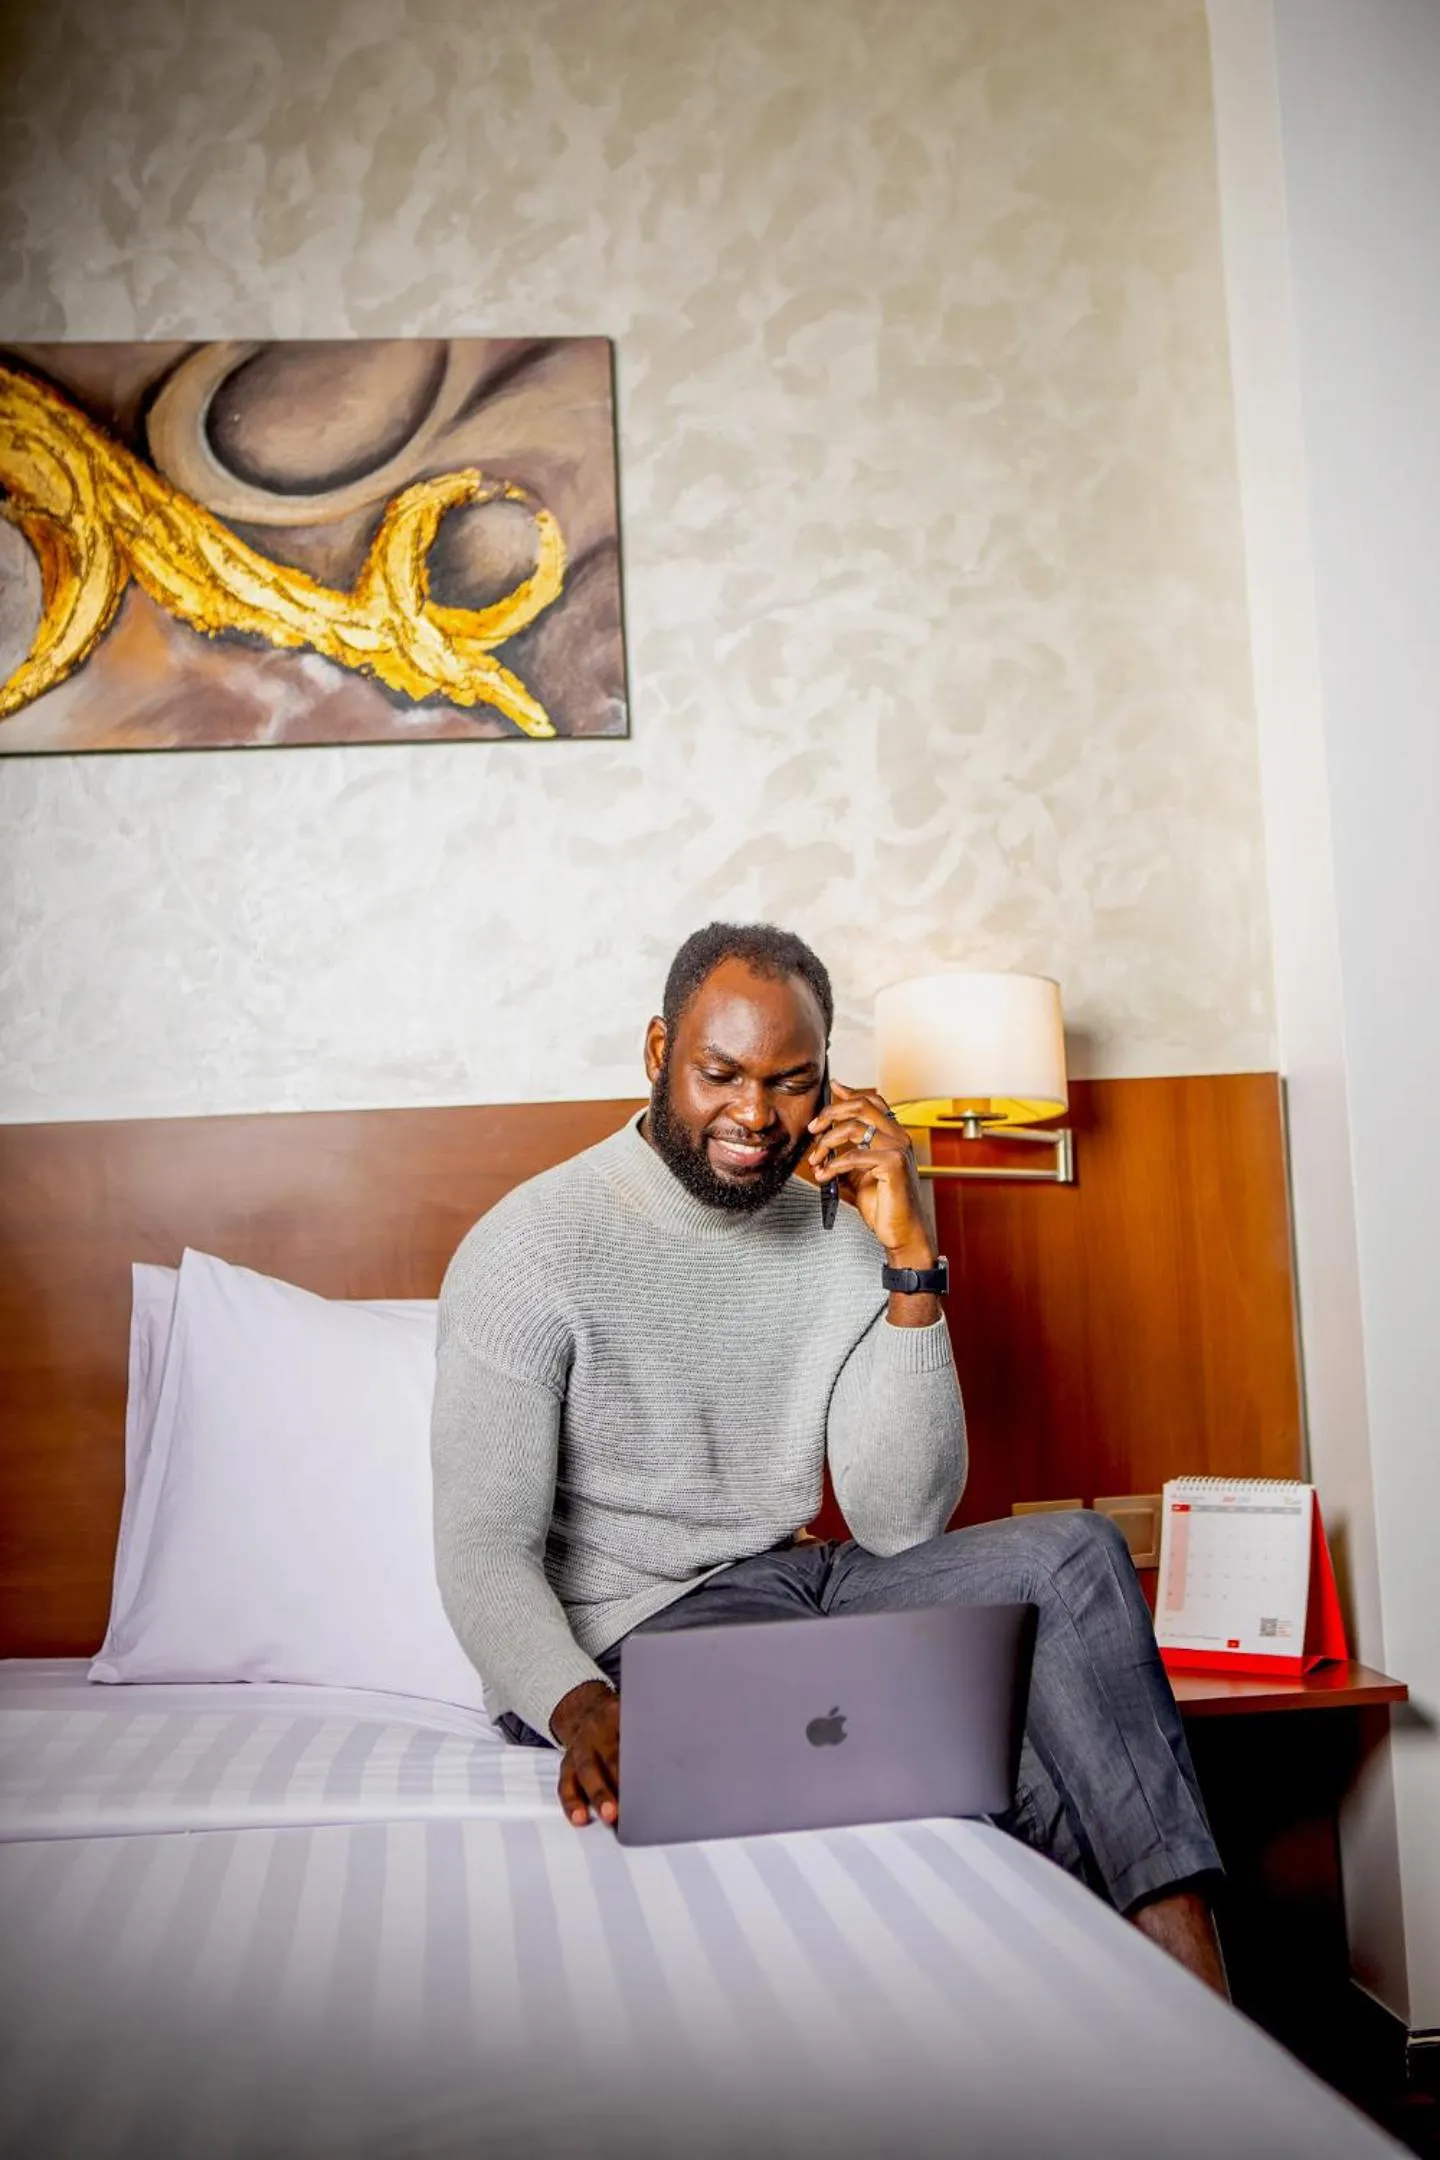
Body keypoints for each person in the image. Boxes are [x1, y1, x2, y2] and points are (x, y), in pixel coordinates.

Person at [432, 922, 1227, 1992]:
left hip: (804, 1582)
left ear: (830, 1080)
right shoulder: (529, 1247)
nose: (755, 1115)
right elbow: (482, 1553)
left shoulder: (850, 1216)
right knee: (1016, 1754)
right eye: (721, 1074)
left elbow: (899, 1522)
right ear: (660, 1052)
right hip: (634, 1639)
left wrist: (910, 1256)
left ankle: (1202, 1999)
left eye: (791, 1082)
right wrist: (582, 1708)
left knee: (1075, 1554)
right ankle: (1105, 2020)